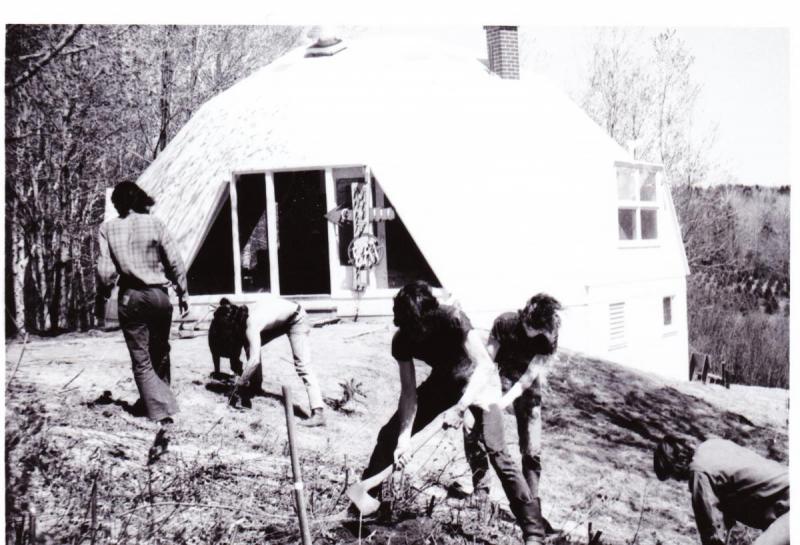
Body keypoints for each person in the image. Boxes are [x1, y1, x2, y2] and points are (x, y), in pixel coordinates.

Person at [356, 281, 545, 545]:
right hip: (443, 383)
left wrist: (460, 407)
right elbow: (408, 393)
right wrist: (404, 438)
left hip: (480, 385)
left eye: (420, 325)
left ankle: (534, 532)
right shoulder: (402, 339)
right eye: (410, 327)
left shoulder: (453, 319)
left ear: (431, 314)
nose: (416, 333)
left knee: (498, 453)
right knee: (389, 435)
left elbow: (484, 367)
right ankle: (362, 506)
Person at [462, 294, 561, 527]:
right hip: (498, 377)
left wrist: (502, 403)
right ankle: (481, 492)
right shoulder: (505, 323)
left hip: (527, 386)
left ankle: (530, 507)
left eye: (535, 329)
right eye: (527, 324)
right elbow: (486, 363)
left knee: (532, 449)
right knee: (472, 429)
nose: (529, 330)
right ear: (524, 316)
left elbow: (527, 379)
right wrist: (480, 399)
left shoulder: (549, 337)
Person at [96, 181, 188, 426]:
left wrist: (104, 294)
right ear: (140, 200)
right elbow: (175, 261)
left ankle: (160, 412)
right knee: (160, 350)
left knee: (141, 358)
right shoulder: (155, 223)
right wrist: (183, 291)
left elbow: (105, 271)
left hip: (131, 297)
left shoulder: (107, 229)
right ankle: (155, 400)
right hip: (159, 295)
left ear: (117, 203)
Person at [654, 435, 789, 545]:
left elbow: (709, 529)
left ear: (674, 464)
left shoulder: (699, 472)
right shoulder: (712, 445)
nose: (678, 480)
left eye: (672, 474)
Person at [214, 294, 326, 427]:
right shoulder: (241, 313)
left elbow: (254, 361)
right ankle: (256, 386)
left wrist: (240, 385)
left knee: (302, 365)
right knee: (250, 344)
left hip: (297, 318)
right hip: (280, 318)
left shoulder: (252, 323)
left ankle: (318, 413)